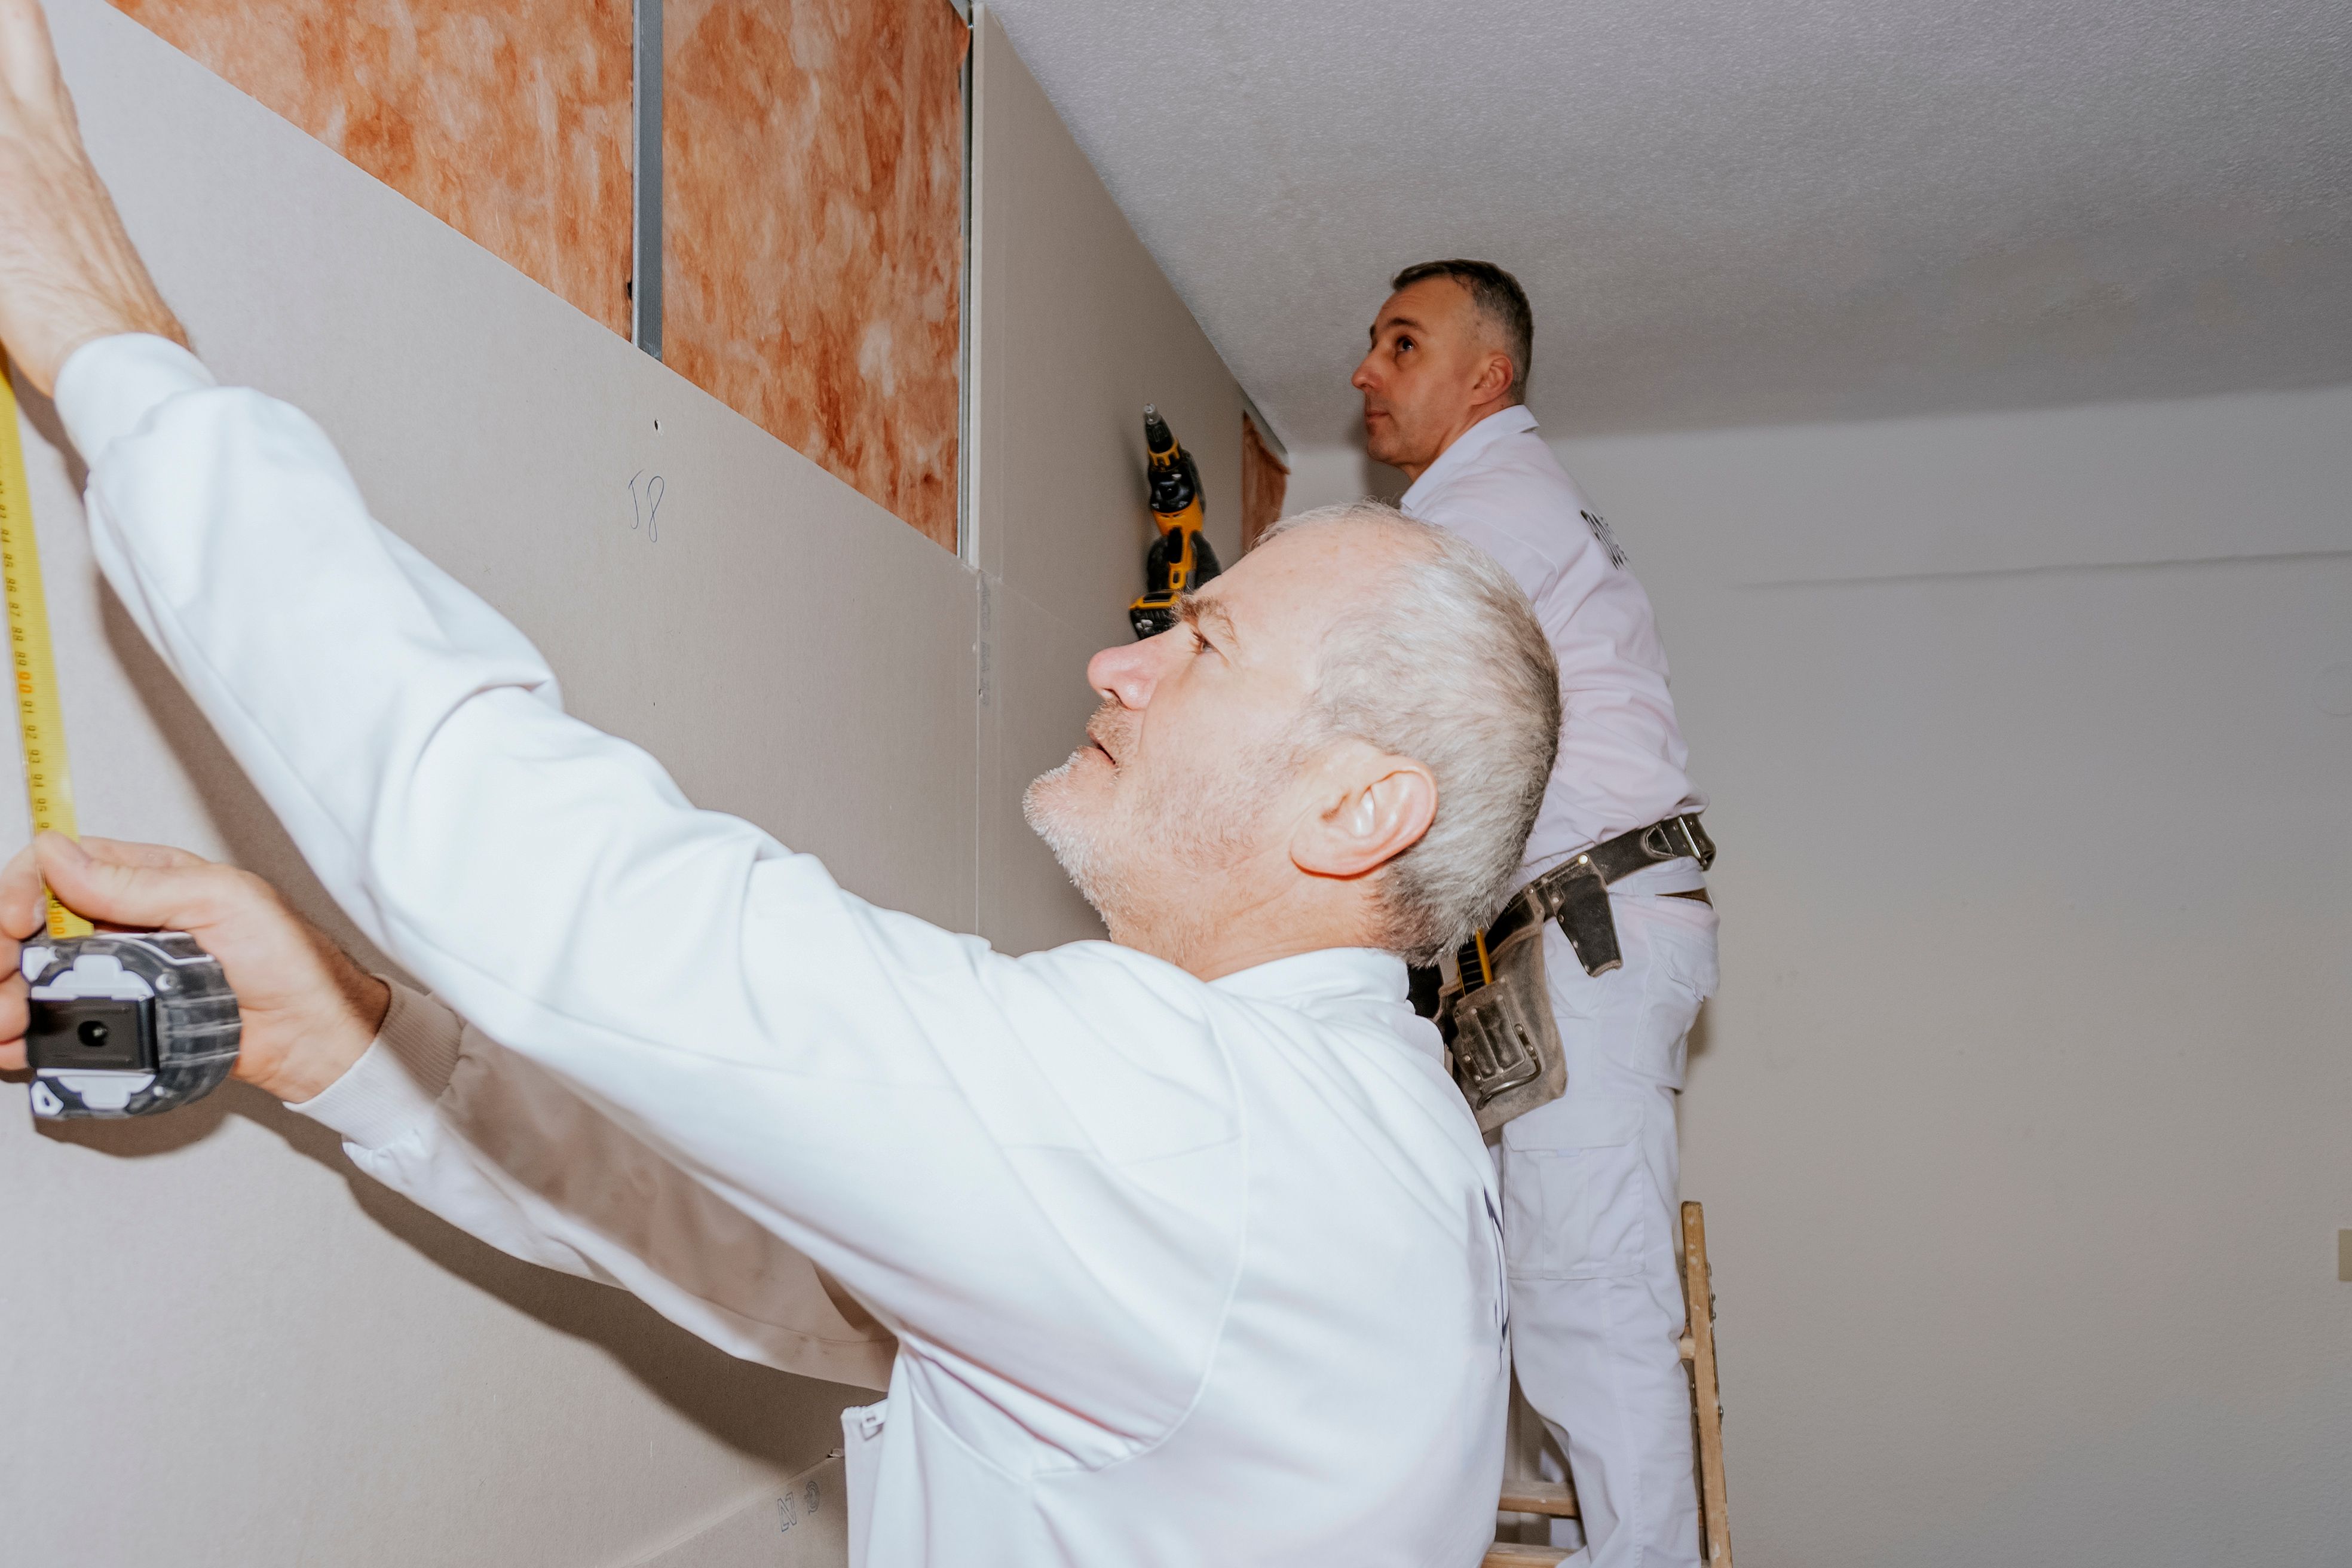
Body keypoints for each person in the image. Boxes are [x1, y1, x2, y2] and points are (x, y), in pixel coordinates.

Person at [0, 6, 1566, 1563]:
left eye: (1204, 646)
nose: (1118, 665)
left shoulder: (1219, 1149)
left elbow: (576, 894)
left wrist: (103, 331)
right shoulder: (1345, 1160)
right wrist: (339, 1037)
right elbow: (758, 1250)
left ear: (1364, 810)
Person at [1352, 260, 1719, 1566]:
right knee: (1555, 1291)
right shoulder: (1500, 504)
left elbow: (1388, 700)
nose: (1366, 371)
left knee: (1586, 1298)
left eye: (1403, 344)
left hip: (1585, 930)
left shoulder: (1487, 507)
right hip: (1582, 930)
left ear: (1484, 375)